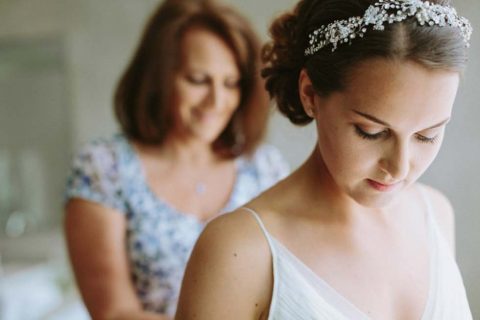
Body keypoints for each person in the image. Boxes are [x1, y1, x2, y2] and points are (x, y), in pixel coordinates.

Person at [175, 0, 473, 319]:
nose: (399, 167)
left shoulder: (437, 214)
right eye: (370, 131)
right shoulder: (240, 253)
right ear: (310, 94)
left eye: (427, 135)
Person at [63, 0, 289, 319]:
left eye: (231, 83)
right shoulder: (103, 168)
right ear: (159, 76)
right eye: (198, 80)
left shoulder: (265, 167)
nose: (216, 101)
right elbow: (114, 312)